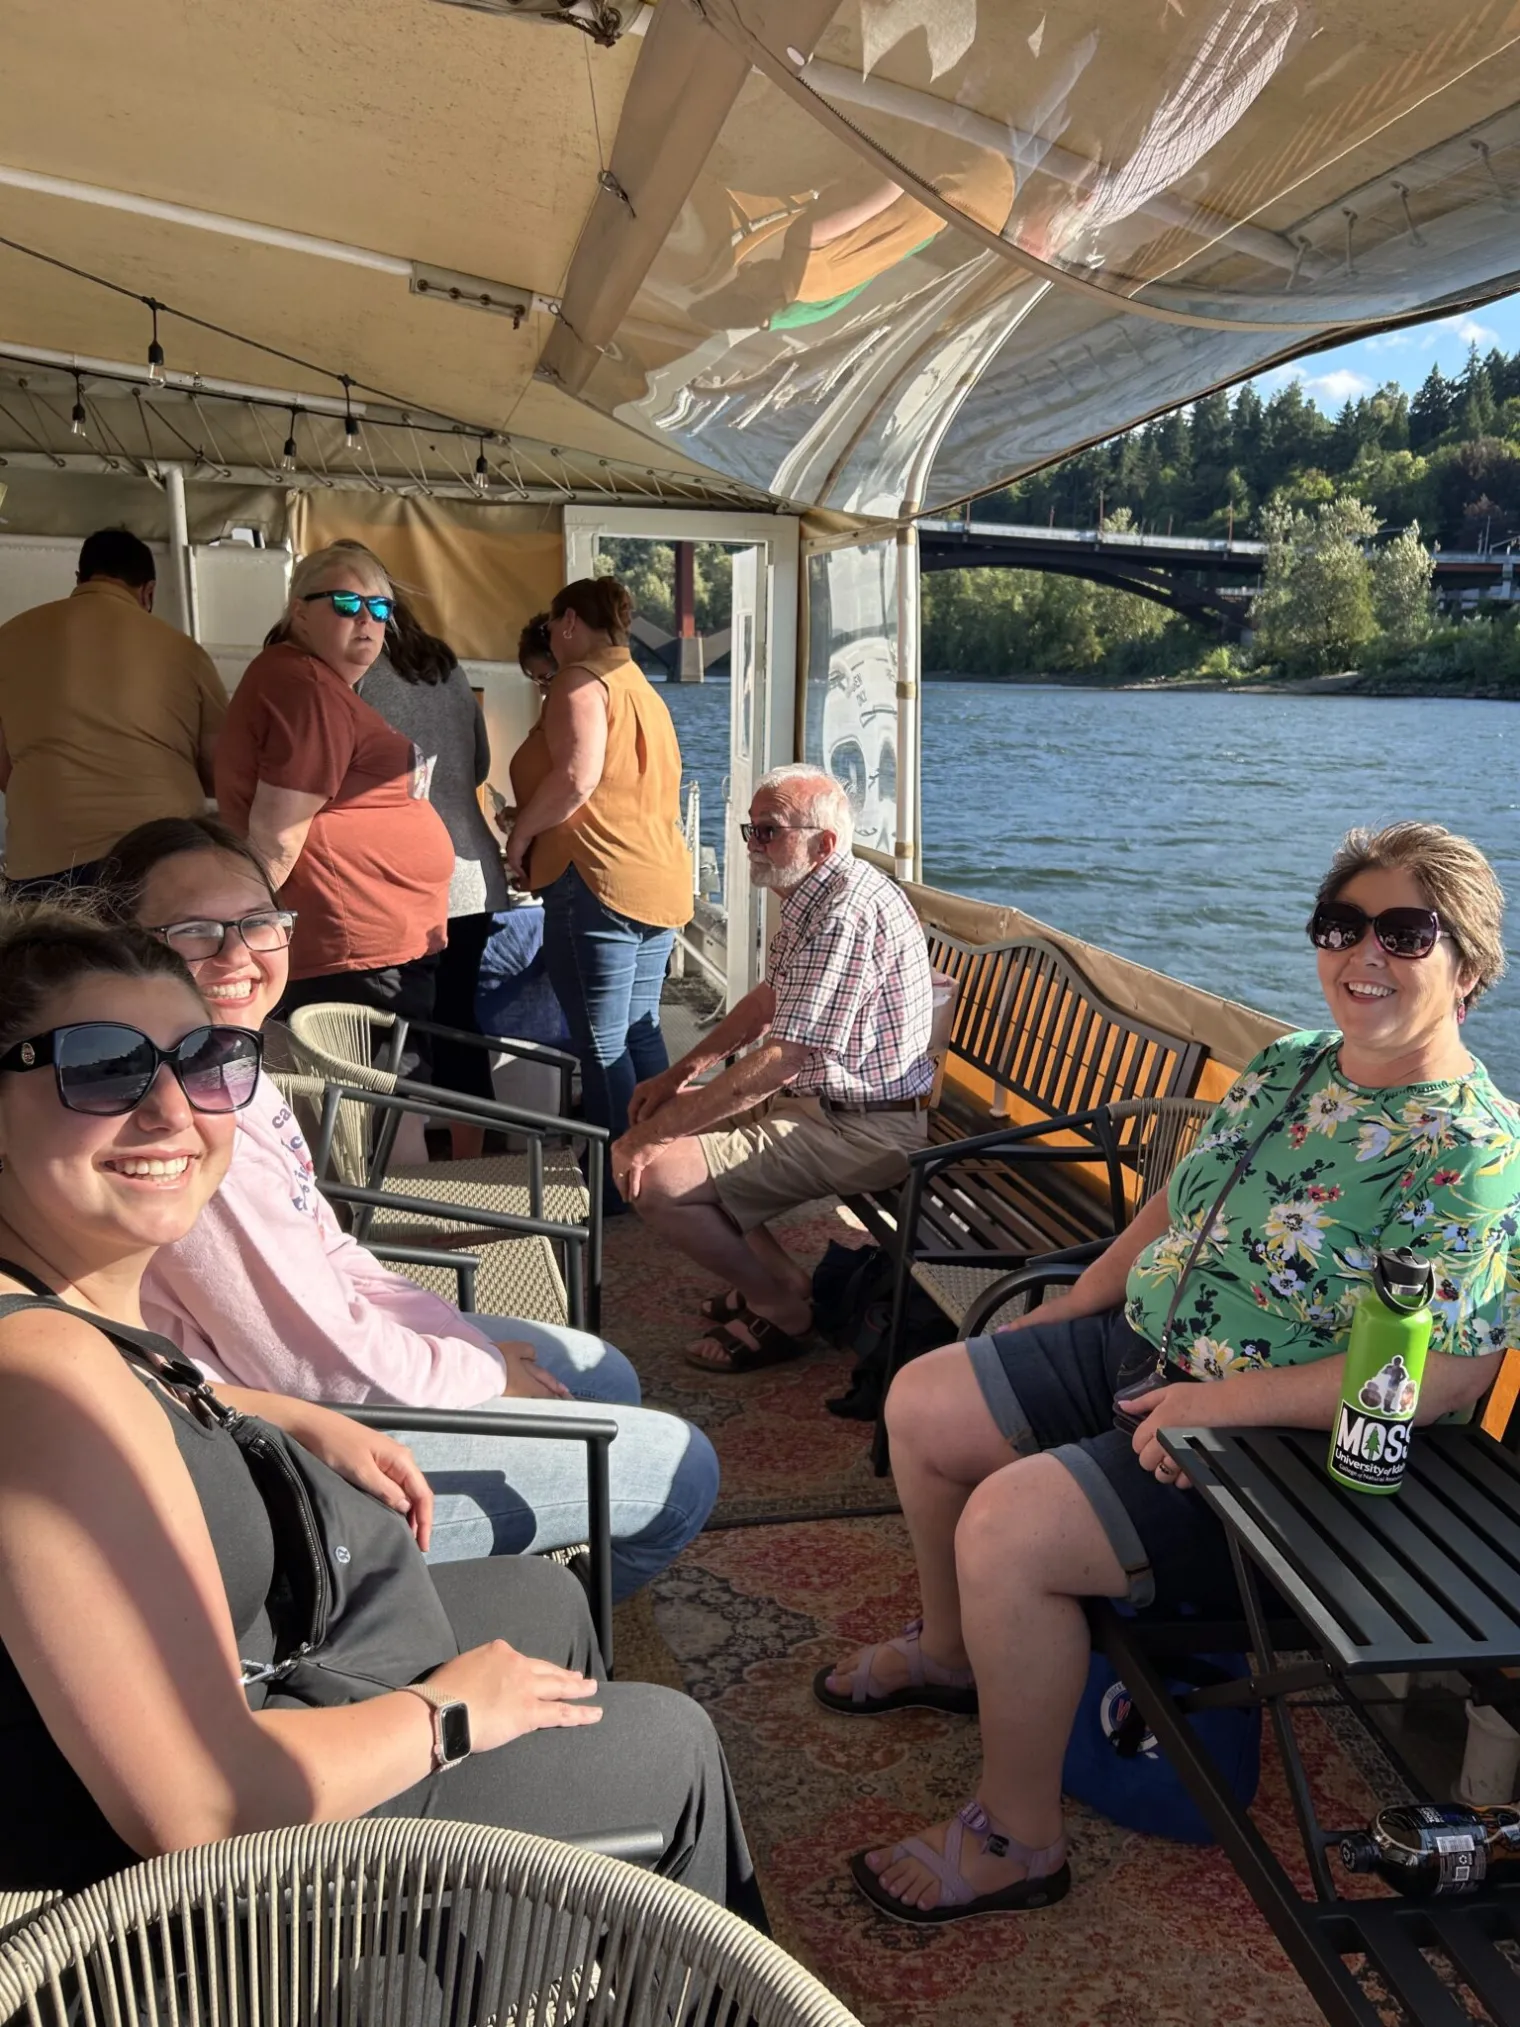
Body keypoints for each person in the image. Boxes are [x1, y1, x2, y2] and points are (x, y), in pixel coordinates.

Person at [816, 821, 1520, 1926]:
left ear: (1467, 966)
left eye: (1402, 931)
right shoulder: (1292, 1063)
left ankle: (1018, 1836)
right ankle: (954, 1654)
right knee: (925, 1396)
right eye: (1339, 926)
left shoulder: (1465, 1147)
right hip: (1148, 1349)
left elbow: (1439, 1377)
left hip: (1281, 1443)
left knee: (1007, 1526)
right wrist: (1075, 1297)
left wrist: (1211, 1405)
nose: (1360, 954)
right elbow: (1173, 1206)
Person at [0, 901, 759, 1912]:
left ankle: (545, 1950)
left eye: (206, 1059)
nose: (172, 1111)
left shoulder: (56, 1315)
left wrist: (272, 1411)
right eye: (100, 1065)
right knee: (669, 1746)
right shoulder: (40, 1377)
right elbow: (197, 1806)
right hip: (224, 1907)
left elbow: (138, 1403)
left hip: (268, 1671)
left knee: (542, 1604)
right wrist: (446, 1713)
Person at [96, 816, 720, 1601]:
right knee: (683, 1470)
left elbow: (334, 1256)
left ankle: (526, 1578)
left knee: (604, 1372)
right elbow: (322, 1367)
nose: (235, 955)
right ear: (128, 949)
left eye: (258, 923)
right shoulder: (181, 1130)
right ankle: (501, 1620)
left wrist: (465, 1341)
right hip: (289, 1472)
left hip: (313, 1389)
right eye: (192, 931)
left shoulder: (236, 1070)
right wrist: (485, 1369)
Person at [614, 764, 935, 1375]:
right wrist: (676, 1077)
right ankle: (779, 1281)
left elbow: (784, 1059)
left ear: (824, 843)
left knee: (653, 1172)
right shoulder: (813, 894)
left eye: (769, 831)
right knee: (660, 1124)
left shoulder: (843, 914)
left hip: (865, 1127)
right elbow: (769, 1000)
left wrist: (653, 1136)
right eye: (750, 829)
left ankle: (782, 1307)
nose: (752, 844)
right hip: (823, 1104)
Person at [214, 545, 453, 1080]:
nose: (367, 619)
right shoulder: (304, 689)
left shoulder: (315, 683)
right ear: (299, 611)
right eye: (346, 603)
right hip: (354, 952)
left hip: (372, 947)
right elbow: (277, 834)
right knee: (376, 1115)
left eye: (381, 608)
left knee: (388, 1107)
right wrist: (242, 937)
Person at [504, 579, 691, 1201]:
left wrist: (520, 836)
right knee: (639, 1030)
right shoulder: (644, 690)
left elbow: (578, 779)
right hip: (656, 878)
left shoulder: (580, 681)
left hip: (596, 879)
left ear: (566, 622)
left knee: (602, 1042)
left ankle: (619, 1185)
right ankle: (669, 1167)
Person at [0, 528, 226, 894]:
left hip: (42, 856)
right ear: (148, 591)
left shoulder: (8, 639)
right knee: (147, 953)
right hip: (156, 853)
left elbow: (3, 766)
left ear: (79, 578)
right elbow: (220, 769)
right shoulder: (184, 652)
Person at [356, 582, 509, 1112]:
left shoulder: (353, 678)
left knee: (397, 1024)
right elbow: (480, 768)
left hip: (399, 873)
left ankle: (404, 1152)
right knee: (459, 1016)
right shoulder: (448, 668)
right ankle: (480, 1147)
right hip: (472, 869)